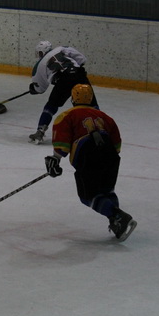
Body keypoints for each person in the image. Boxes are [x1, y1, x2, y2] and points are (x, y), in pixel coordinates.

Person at [44, 84, 136, 242]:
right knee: (107, 191)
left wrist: (55, 159)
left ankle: (117, 216)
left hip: (88, 155)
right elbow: (117, 146)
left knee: (88, 196)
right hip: (111, 156)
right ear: (91, 98)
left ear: (73, 98)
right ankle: (116, 221)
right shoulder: (105, 117)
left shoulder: (66, 115)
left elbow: (62, 145)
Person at [28, 40, 99, 144]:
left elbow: (40, 88)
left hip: (63, 80)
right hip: (80, 75)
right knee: (91, 104)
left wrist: (33, 89)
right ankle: (100, 128)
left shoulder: (40, 64)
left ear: (41, 52)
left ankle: (40, 131)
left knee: (51, 106)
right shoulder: (62, 48)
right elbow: (82, 59)